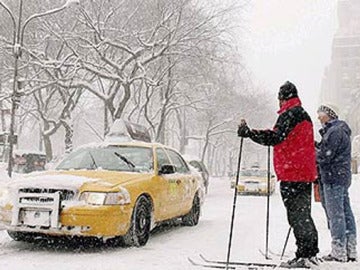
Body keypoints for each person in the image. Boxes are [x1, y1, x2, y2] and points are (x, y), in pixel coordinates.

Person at [237, 81, 319, 268]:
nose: (278, 103)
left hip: (293, 173)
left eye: (279, 99)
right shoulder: (302, 114)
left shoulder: (290, 114)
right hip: (303, 173)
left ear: (283, 98)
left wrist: (250, 133)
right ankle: (310, 252)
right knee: (304, 215)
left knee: (297, 217)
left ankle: (305, 256)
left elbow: (275, 137)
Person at [316, 104, 357, 262]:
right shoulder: (340, 130)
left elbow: (326, 156)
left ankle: (339, 251)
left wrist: (313, 153)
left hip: (333, 177)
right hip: (341, 176)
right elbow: (328, 151)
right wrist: (318, 146)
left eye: (320, 113)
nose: (318, 117)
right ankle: (350, 249)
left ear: (329, 114)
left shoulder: (334, 131)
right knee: (345, 212)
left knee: (336, 215)